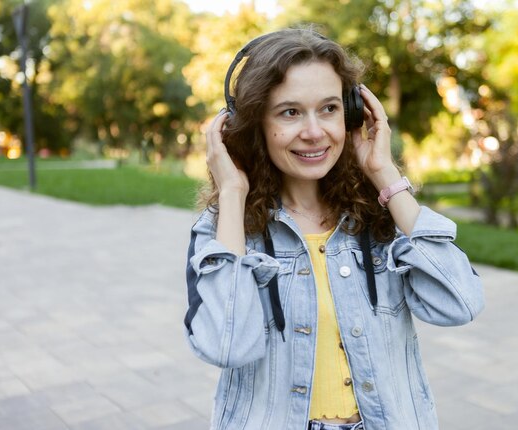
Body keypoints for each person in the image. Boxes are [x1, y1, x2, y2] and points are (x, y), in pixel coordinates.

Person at [184, 27, 484, 430]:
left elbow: (460, 303)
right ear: (253, 123)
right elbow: (227, 344)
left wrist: (384, 173)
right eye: (290, 112)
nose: (314, 132)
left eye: (329, 109)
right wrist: (233, 192)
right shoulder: (226, 231)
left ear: (354, 112)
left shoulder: (381, 216)